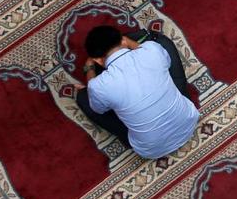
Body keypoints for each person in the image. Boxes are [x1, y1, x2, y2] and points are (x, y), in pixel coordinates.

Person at [76, 25, 199, 160]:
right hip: (188, 120)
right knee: (162, 44)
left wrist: (89, 69)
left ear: (98, 60)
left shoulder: (97, 86)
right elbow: (165, 61)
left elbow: (98, 109)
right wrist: (130, 43)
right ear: (123, 41)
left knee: (83, 97)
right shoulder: (151, 50)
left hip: (151, 149)